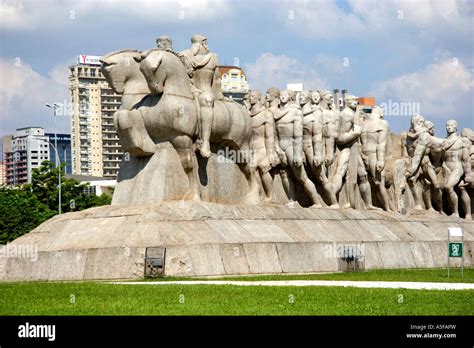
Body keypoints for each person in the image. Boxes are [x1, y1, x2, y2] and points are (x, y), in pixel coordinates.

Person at [179, 34, 220, 158]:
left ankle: (205, 141)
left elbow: (217, 81)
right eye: (205, 42)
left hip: (206, 91)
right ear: (203, 43)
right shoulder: (185, 56)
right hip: (189, 90)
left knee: (206, 100)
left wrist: (218, 96)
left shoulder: (213, 58)